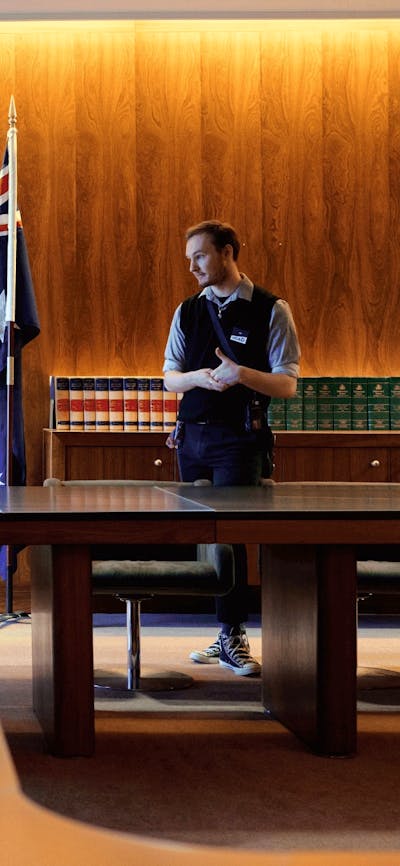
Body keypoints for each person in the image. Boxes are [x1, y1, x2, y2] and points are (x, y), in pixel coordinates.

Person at [163, 220, 300, 676]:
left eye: (199, 256)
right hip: (191, 437)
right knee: (204, 538)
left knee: (232, 535)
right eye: (189, 259)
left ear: (227, 252)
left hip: (240, 439)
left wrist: (241, 374)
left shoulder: (271, 309)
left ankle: (234, 633)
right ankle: (223, 633)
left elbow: (287, 384)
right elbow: (169, 378)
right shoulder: (187, 311)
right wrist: (198, 379)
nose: (193, 267)